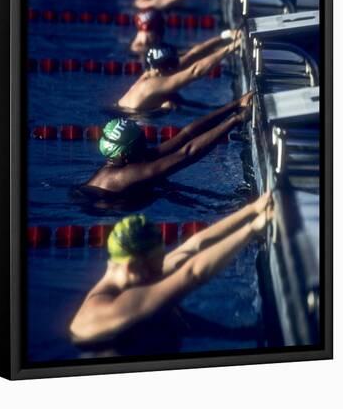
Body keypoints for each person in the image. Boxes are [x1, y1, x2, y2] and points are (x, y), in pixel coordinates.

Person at [69, 192, 274, 348]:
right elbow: (192, 274)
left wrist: (253, 209)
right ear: (132, 265)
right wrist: (252, 229)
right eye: (156, 266)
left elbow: (192, 246)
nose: (160, 271)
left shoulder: (134, 275)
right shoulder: (108, 309)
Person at [80, 91, 253, 198]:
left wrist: (236, 105)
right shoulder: (128, 174)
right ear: (126, 153)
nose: (146, 143)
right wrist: (236, 120)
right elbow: (187, 154)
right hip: (100, 205)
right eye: (141, 141)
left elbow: (185, 136)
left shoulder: (128, 157)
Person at [118, 35, 241, 113]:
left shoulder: (156, 71)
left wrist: (225, 37)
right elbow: (195, 71)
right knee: (171, 103)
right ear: (164, 68)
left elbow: (192, 55)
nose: (177, 68)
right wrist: (230, 48)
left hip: (130, 111)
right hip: (131, 117)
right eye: (173, 66)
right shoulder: (152, 85)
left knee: (173, 100)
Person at [130, 8, 238, 56]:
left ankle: (227, 42)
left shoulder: (147, 46)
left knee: (189, 49)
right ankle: (228, 43)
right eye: (160, 29)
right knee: (189, 52)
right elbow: (190, 53)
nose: (162, 33)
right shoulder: (140, 50)